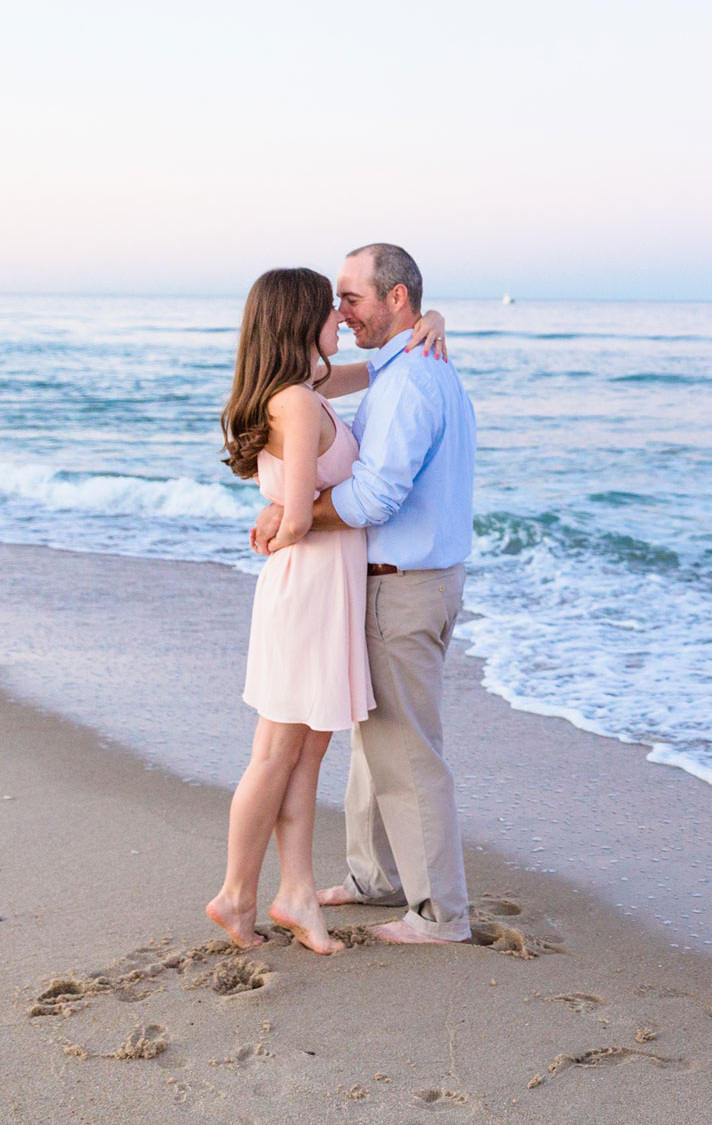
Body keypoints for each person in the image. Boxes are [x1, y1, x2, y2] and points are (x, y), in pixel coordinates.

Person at [207, 264, 446, 955]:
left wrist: (430, 323)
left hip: (323, 589)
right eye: (329, 309)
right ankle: (235, 892)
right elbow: (301, 519)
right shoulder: (298, 401)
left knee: (305, 755)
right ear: (297, 319)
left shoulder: (304, 388)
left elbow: (376, 371)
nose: (341, 319)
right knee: (278, 753)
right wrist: (280, 518)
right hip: (308, 591)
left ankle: (294, 895)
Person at [251, 242, 479, 947]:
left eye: (350, 298)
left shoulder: (411, 381)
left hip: (402, 588)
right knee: (374, 740)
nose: (339, 312)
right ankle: (373, 876)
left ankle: (440, 915)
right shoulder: (402, 362)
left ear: (396, 300)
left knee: (407, 753)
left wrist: (291, 519)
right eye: (333, 302)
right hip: (402, 582)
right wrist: (432, 317)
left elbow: (377, 494)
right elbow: (330, 381)